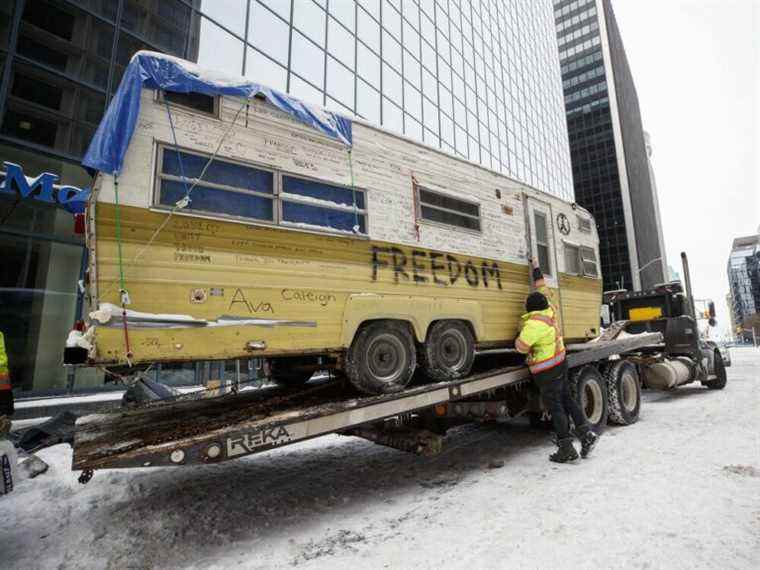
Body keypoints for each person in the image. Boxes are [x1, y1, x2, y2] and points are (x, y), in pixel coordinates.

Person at [515, 257, 598, 463]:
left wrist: (518, 335)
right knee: (568, 400)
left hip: (546, 372)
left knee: (557, 407)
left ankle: (566, 447)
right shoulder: (549, 309)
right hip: (560, 363)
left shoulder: (534, 325)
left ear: (529, 309)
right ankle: (586, 434)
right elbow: (542, 286)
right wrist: (536, 266)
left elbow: (520, 347)